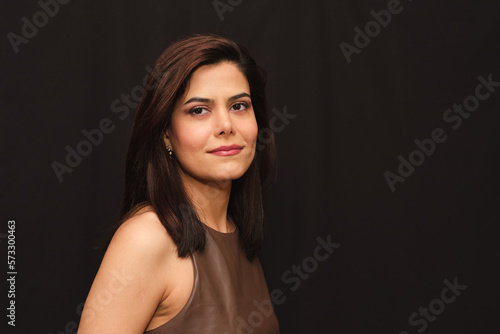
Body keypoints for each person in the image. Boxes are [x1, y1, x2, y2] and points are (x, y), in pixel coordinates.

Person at [77, 34, 280, 334]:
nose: (226, 125)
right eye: (199, 110)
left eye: (239, 106)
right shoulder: (147, 238)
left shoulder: (237, 234)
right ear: (166, 135)